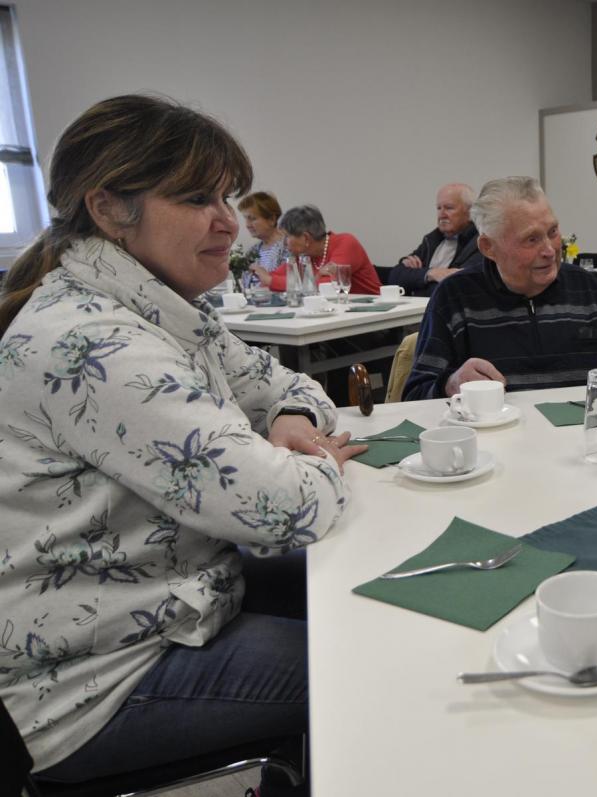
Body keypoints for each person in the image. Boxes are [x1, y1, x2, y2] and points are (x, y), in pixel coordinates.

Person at [0, 94, 365, 793]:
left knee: (359, 592)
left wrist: (291, 416)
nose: (228, 220)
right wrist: (318, 457)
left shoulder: (159, 309)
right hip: (93, 680)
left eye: (226, 197)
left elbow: (289, 384)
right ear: (109, 209)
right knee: (368, 658)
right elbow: (284, 508)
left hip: (174, 596)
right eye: (198, 198)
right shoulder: (92, 343)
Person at [403, 176, 597, 399]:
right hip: (497, 432)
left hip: (587, 430)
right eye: (531, 239)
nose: (550, 250)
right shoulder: (455, 297)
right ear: (488, 247)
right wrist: (450, 384)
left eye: (553, 232)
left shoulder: (590, 290)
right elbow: (415, 395)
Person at [259, 205, 381, 295]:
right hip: (335, 314)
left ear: (306, 238)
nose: (284, 243)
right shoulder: (302, 255)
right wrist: (316, 278)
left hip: (372, 316)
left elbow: (328, 287)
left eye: (287, 237)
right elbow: (266, 281)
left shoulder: (345, 243)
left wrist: (273, 281)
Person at [387, 183, 483, 296]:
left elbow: (457, 286)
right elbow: (395, 277)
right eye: (439, 208)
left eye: (449, 208)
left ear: (470, 212)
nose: (442, 215)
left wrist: (414, 285)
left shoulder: (480, 243)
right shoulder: (432, 240)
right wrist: (431, 273)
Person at [239, 191, 287, 287]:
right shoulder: (252, 251)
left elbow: (293, 284)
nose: (247, 225)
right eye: (246, 219)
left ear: (272, 219)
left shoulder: (288, 247)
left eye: (252, 218)